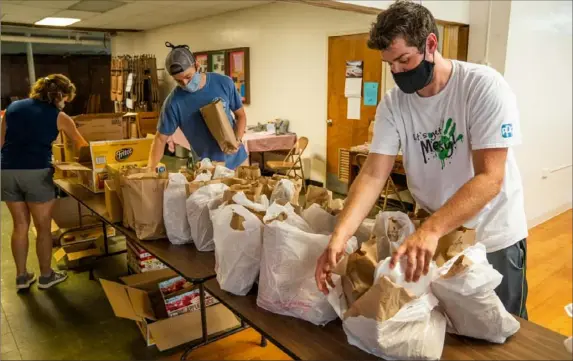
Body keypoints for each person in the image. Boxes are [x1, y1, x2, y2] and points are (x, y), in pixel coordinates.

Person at [315, 0, 528, 319]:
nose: (398, 72)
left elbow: (490, 179)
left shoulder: (482, 87)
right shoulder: (394, 104)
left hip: (491, 233)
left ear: (430, 44)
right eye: (390, 64)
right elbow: (373, 174)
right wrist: (339, 237)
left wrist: (430, 230)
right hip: (438, 234)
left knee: (504, 330)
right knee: (449, 326)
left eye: (404, 59)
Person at [1, 74, 88, 290]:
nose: (65, 103)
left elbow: (1, 142)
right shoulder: (60, 116)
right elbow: (83, 146)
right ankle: (46, 276)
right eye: (66, 99)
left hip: (6, 170)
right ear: (61, 96)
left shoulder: (12, 108)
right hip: (36, 173)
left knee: (20, 225)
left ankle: (21, 277)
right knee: (43, 227)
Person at [147, 42, 248, 170]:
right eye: (178, 81)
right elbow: (160, 139)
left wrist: (237, 139)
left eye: (188, 77)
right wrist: (149, 169)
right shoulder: (173, 103)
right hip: (207, 169)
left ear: (197, 65)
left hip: (238, 162)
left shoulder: (223, 83)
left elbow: (241, 116)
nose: (185, 83)